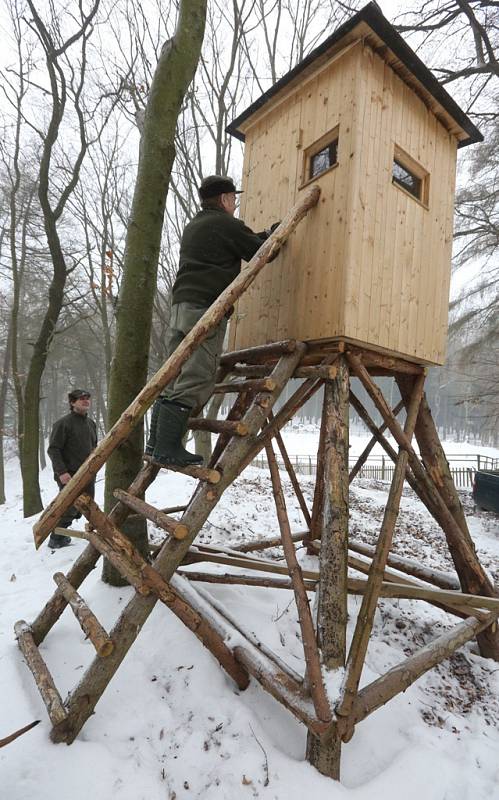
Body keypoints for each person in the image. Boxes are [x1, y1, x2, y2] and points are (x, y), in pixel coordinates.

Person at [146, 175, 280, 467]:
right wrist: (274, 235)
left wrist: (262, 235)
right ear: (224, 199)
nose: (235, 204)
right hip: (204, 308)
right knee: (197, 375)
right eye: (234, 199)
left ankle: (156, 443)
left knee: (174, 372)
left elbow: (241, 243)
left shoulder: (195, 225)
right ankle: (169, 447)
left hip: (181, 305)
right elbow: (259, 251)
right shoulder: (225, 224)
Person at [46, 389, 97, 549]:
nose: (85, 400)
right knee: (69, 506)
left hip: (87, 473)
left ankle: (62, 533)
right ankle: (56, 537)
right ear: (72, 402)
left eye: (87, 398)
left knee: (83, 506)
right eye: (81, 398)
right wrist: (62, 472)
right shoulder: (63, 424)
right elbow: (53, 449)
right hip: (69, 474)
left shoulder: (91, 423)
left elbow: (94, 446)